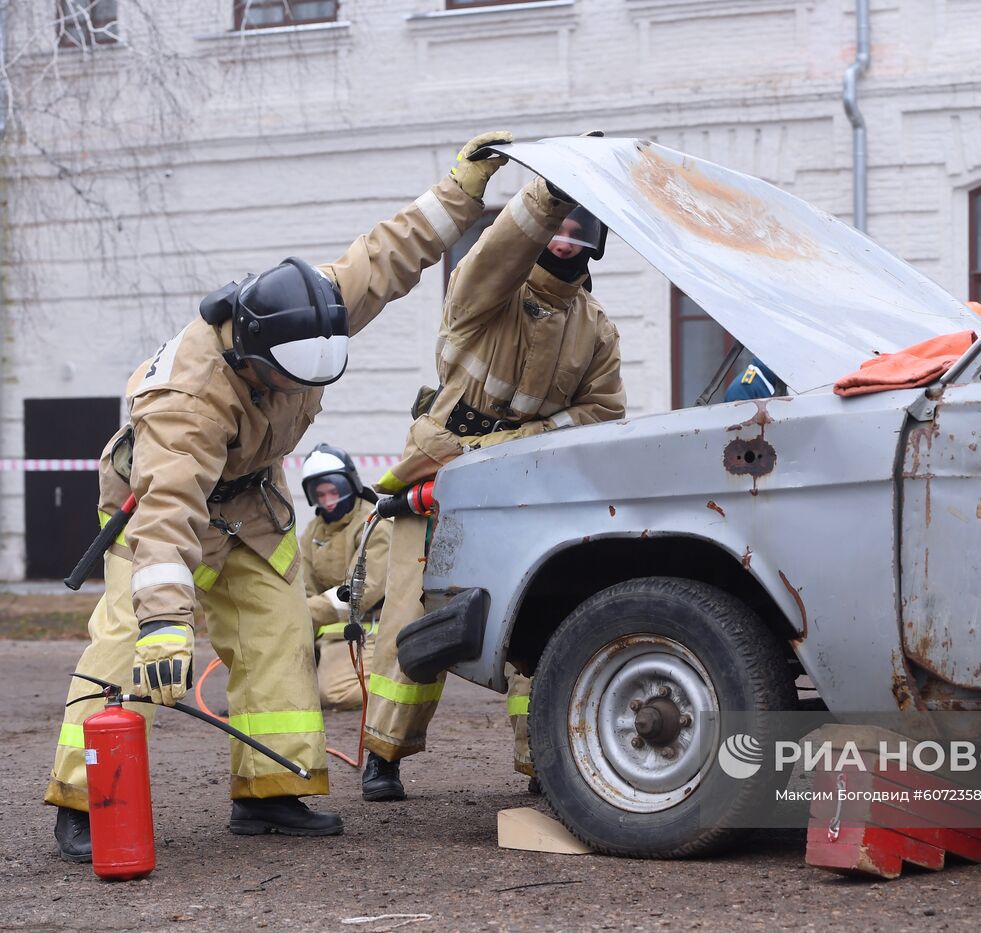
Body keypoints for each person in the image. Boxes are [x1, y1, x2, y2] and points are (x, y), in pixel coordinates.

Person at [46, 130, 515, 862]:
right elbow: (168, 511)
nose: (302, 395)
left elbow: (390, 254)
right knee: (125, 646)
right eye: (289, 383)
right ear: (251, 358)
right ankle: (83, 798)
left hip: (251, 506)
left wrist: (463, 187)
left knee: (280, 632)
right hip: (160, 512)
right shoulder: (188, 399)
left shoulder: (311, 309)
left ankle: (269, 792)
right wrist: (167, 624)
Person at [362, 172, 627, 803]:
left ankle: (542, 760)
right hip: (433, 468)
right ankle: (383, 755)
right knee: (411, 613)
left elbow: (604, 412)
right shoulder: (483, 291)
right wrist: (548, 194)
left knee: (534, 614)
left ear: (596, 243)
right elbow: (497, 249)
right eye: (555, 226)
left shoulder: (596, 328)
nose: (564, 239)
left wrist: (511, 446)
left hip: (523, 481)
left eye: (579, 229)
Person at [298, 444, 389, 710]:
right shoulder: (313, 531)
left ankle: (403, 685)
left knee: (336, 694)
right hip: (328, 637)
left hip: (367, 632)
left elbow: (359, 593)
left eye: (333, 491)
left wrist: (299, 613)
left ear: (350, 485)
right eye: (320, 493)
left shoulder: (375, 525)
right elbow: (303, 587)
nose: (327, 500)